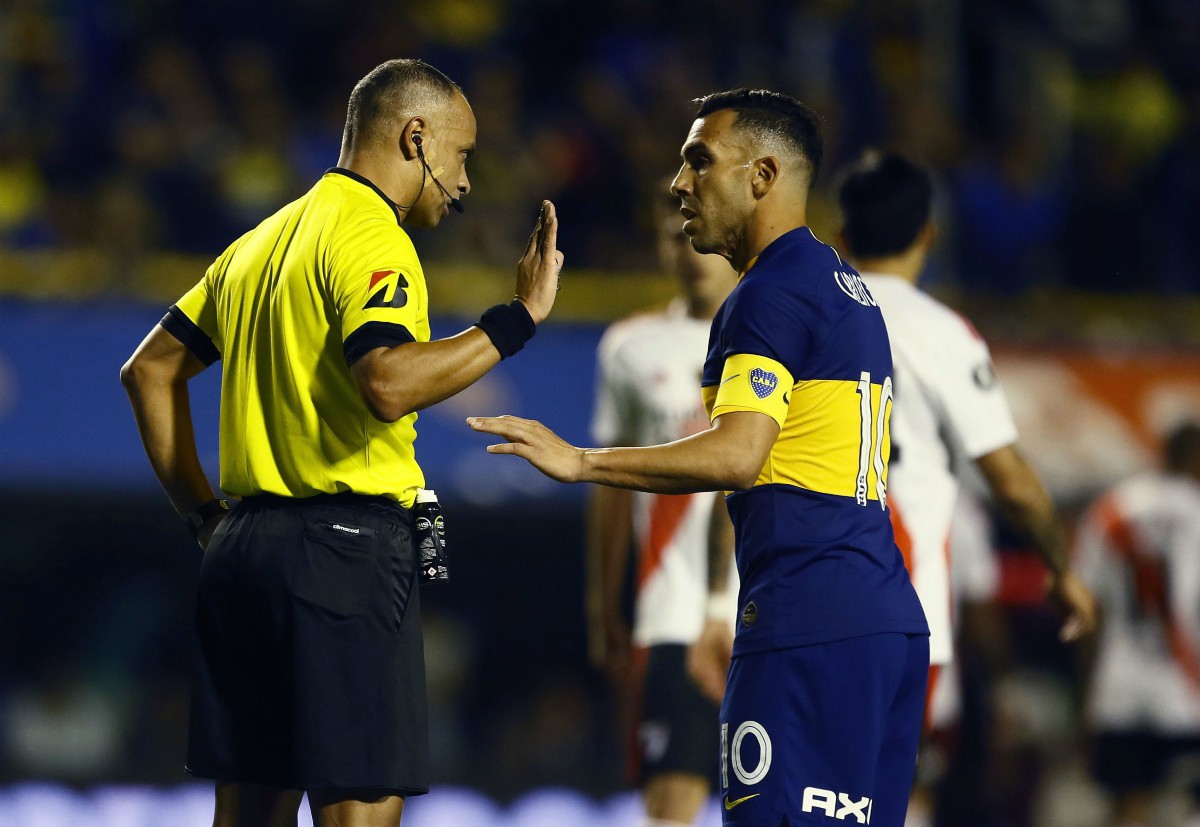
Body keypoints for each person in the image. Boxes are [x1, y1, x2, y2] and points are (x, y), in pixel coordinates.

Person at [120, 58, 563, 827]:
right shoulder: (372, 236)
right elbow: (387, 381)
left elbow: (148, 371)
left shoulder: (260, 242)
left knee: (249, 810)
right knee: (358, 810)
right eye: (461, 156)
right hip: (344, 556)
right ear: (415, 136)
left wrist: (203, 517)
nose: (464, 183)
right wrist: (515, 320)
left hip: (241, 555)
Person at [469, 88, 930, 826]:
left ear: (763, 175)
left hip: (806, 625)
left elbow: (739, 455)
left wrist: (583, 461)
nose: (681, 184)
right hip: (884, 623)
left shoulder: (767, 296)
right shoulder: (848, 290)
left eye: (698, 161)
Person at [826, 149, 1099, 821]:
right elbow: (1008, 478)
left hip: (797, 594)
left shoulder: (793, 321)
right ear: (929, 234)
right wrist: (1060, 569)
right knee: (899, 790)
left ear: (840, 234)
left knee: (802, 786)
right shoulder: (943, 334)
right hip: (901, 602)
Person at [586, 190, 737, 827]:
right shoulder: (631, 345)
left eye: (694, 232)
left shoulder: (785, 336)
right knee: (670, 805)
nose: (689, 250)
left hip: (766, 617)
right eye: (671, 236)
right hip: (669, 614)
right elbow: (609, 483)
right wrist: (601, 604)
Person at [1075, 422, 1200, 826]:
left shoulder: (1113, 507)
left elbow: (1084, 606)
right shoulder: (1195, 509)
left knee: (1128, 809)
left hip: (1119, 684)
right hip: (1187, 685)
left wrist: (1087, 690)